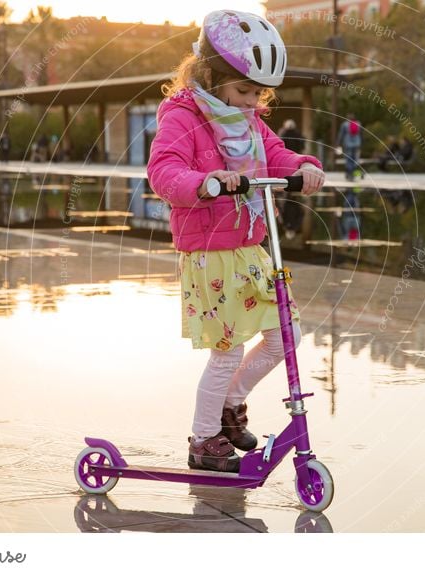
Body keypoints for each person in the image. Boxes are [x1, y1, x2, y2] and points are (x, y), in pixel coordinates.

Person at [146, 9, 325, 473]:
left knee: (286, 336)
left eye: (257, 95)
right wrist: (206, 183)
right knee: (225, 352)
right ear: (211, 76)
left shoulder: (246, 120)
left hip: (250, 247)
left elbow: (275, 153)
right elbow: (163, 171)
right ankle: (204, 439)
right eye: (244, 91)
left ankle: (230, 406)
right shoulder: (183, 116)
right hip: (209, 252)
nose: (251, 102)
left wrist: (302, 166)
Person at [337, 112, 362, 180]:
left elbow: (341, 134)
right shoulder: (358, 123)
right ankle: (352, 173)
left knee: (348, 159)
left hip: (348, 144)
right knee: (354, 159)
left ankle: (349, 174)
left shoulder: (344, 124)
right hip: (357, 144)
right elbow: (360, 134)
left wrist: (338, 143)